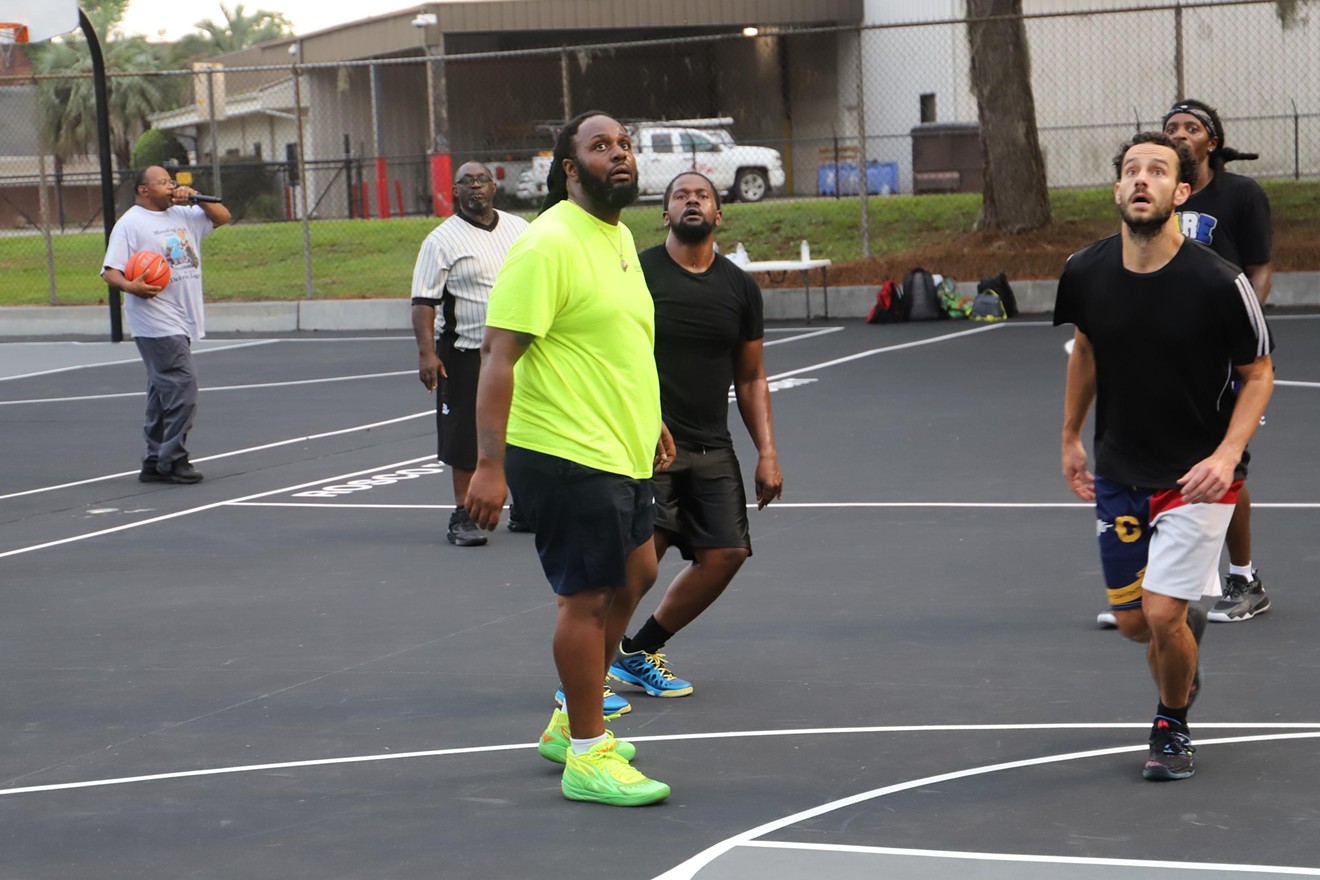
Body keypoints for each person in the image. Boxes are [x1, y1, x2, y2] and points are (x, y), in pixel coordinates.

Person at [465, 111, 675, 806]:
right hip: (563, 449)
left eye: (625, 145)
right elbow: (499, 356)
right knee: (586, 600)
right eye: (600, 146)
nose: (618, 155)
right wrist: (488, 467)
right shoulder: (548, 244)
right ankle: (586, 753)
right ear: (569, 167)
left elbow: (619, 343)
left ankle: (568, 717)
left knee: (640, 568)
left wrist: (653, 420)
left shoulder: (614, 236)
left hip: (621, 445)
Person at [1056, 132, 1272, 780]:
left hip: (1197, 476)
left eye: (1158, 171)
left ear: (1182, 192)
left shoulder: (1218, 281)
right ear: (1118, 190)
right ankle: (1182, 662)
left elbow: (1258, 373)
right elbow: (1087, 351)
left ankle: (1171, 724)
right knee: (1132, 624)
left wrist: (1229, 454)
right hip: (1121, 468)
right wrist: (1070, 436)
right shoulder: (1086, 272)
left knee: (1161, 612)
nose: (1142, 179)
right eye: (1131, 170)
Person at [609, 171, 783, 700]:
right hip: (647, 446)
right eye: (680, 196)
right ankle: (584, 681)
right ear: (665, 213)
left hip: (711, 446)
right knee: (638, 568)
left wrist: (767, 453)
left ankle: (638, 652)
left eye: (701, 195)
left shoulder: (739, 287)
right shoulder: (637, 274)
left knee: (726, 554)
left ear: (717, 213)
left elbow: (751, 376)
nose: (691, 201)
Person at [1165, 98, 1274, 624]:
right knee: (1157, 459)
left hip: (1226, 355)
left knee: (1225, 464)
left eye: (1192, 128)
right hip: (1167, 352)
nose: (1181, 134)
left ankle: (1245, 577)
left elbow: (1259, 272)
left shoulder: (1241, 195)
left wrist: (1240, 337)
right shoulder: (1159, 194)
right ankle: (1157, 589)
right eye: (1172, 128)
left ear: (1212, 140)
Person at [410, 161, 528, 547]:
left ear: (494, 187)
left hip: (518, 351)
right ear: (456, 191)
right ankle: (463, 514)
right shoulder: (441, 240)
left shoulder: (520, 229)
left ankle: (525, 505)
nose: (476, 187)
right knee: (465, 437)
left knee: (526, 430)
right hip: (466, 353)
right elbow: (424, 302)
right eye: (466, 182)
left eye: (482, 180)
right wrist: (427, 354)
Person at [101, 166, 231, 484]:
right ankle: (172, 459)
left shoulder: (184, 215)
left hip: (181, 317)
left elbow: (223, 216)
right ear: (144, 190)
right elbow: (110, 271)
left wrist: (196, 196)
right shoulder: (130, 224)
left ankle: (154, 458)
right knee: (183, 389)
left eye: (172, 181)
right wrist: (131, 287)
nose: (171, 187)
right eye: (163, 183)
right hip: (156, 320)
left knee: (162, 392)